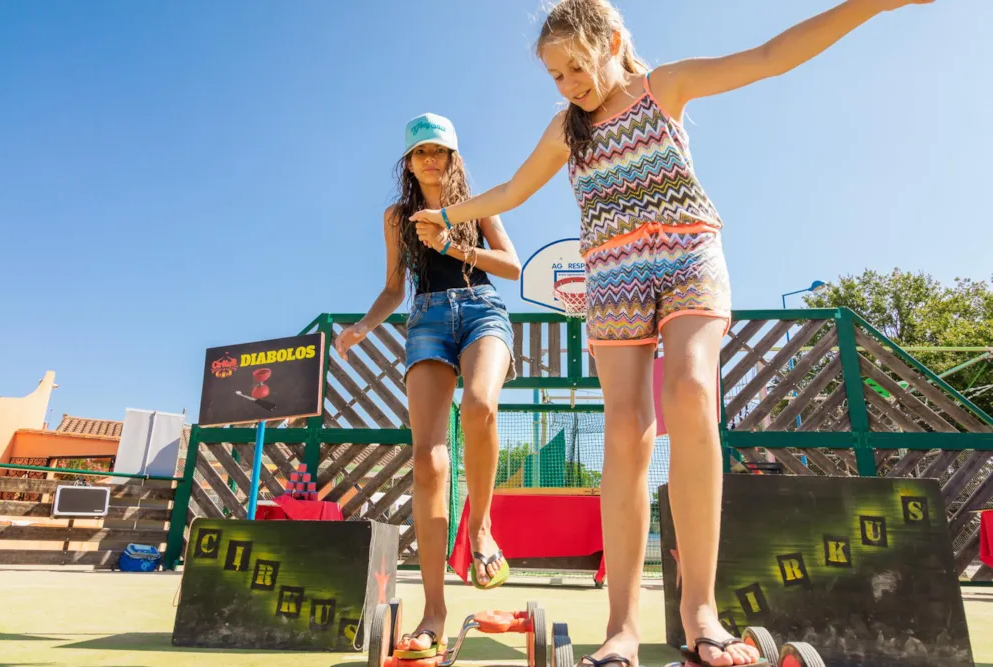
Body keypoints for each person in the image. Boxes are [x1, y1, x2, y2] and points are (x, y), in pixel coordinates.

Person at [409, 1, 935, 665]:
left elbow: (770, 59)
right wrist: (449, 213)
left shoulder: (663, 87)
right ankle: (622, 627)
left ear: (614, 43)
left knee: (690, 389)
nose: (569, 83)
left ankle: (701, 613)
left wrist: (874, 4)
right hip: (613, 273)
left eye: (577, 66)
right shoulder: (566, 130)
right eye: (555, 75)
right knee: (626, 429)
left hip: (687, 254)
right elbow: (513, 189)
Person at [334, 113, 521, 657]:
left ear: (454, 157)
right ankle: (433, 611)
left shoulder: (479, 203)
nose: (431, 159)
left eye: (439, 150)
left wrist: (452, 243)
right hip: (427, 322)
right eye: (421, 153)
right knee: (428, 459)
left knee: (481, 406)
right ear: (408, 162)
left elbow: (510, 266)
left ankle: (481, 530)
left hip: (483, 311)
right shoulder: (397, 216)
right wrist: (363, 327)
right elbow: (393, 288)